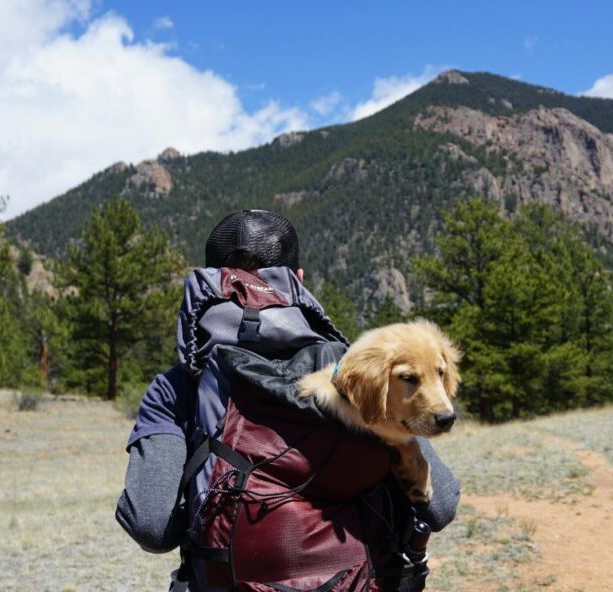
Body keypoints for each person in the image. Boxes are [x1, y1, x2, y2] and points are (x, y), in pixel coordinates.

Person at [116, 209, 460, 591]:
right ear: (299, 279)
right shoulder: (353, 373)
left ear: (214, 279)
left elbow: (151, 526)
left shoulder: (178, 386)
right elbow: (440, 506)